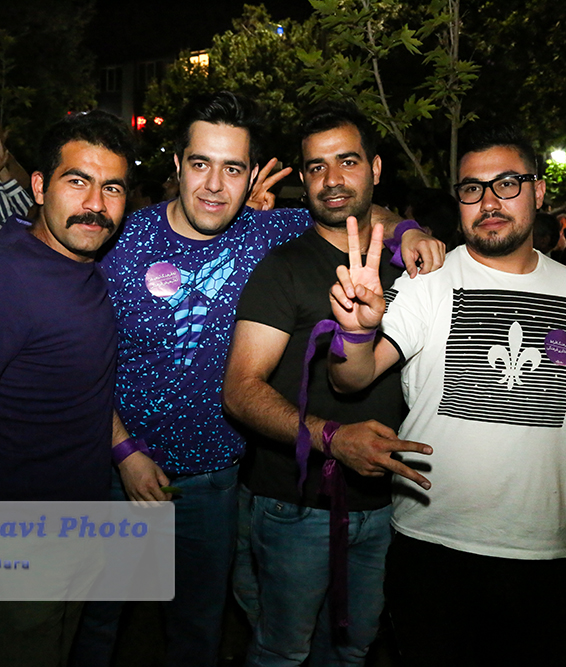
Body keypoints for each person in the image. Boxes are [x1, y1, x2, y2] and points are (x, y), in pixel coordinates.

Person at [69, 91, 443, 667]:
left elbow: (356, 213)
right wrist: (123, 451)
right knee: (95, 624)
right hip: (119, 473)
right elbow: (81, 362)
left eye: (232, 168)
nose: (214, 185)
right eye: (201, 163)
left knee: (197, 631)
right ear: (178, 165)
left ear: (249, 179)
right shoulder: (121, 241)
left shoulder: (266, 232)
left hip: (213, 481)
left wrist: (408, 232)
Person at [326, 125, 566, 666]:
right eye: (472, 189)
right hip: (432, 547)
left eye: (507, 184)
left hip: (544, 551)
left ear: (538, 191)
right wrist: (353, 333)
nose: (488, 202)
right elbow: (351, 379)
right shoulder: (427, 281)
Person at [221, 102, 435, 666]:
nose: (333, 179)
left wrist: (412, 231)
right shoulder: (283, 267)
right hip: (296, 505)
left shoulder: (412, 266)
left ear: (376, 168)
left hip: (390, 505)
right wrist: (333, 438)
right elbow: (240, 390)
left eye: (347, 161)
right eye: (317, 167)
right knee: (282, 652)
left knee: (352, 651)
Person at [0, 110, 135, 666]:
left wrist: (124, 451)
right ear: (39, 187)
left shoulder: (87, 264)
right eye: (77, 181)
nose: (95, 203)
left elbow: (83, 386)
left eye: (112, 188)